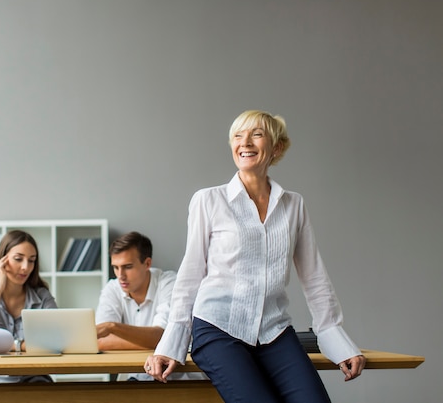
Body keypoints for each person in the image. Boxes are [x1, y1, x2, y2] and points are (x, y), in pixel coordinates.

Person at [144, 110, 366, 402]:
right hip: (217, 329)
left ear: (277, 148)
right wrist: (171, 344)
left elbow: (314, 277)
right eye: (238, 135)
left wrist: (337, 341)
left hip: (274, 332)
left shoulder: (293, 205)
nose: (245, 142)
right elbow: (191, 274)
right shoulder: (208, 200)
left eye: (256, 134)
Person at [96, 231, 205, 381]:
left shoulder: (170, 283)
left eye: (127, 267)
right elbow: (100, 341)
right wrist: (152, 342)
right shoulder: (112, 288)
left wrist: (112, 327)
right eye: (115, 267)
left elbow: (162, 335)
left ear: (147, 263)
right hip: (133, 377)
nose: (120, 275)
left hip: (176, 380)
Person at [0, 229, 58, 384]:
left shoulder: (42, 296)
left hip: (35, 381)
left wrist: (7, 345)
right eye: (18, 259)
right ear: (2, 260)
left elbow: (57, 341)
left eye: (31, 260)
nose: (25, 267)